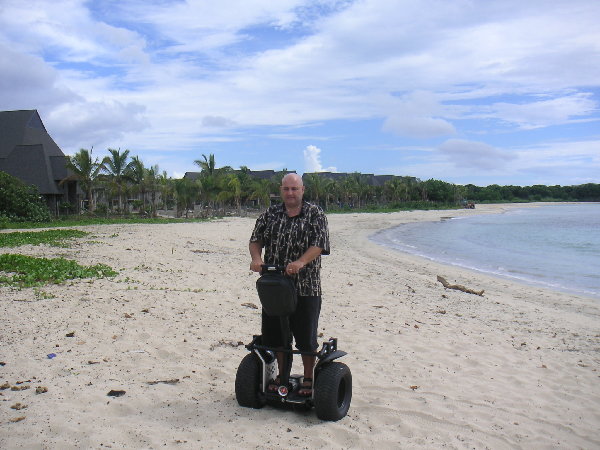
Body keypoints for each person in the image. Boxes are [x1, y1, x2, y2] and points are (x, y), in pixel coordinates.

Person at [249, 173, 330, 396]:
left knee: (306, 337)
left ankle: (308, 378)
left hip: (306, 286)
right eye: (286, 189)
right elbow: (256, 239)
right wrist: (257, 259)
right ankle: (282, 376)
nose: (290, 193)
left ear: (302, 190)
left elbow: (320, 244)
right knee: (276, 337)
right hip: (275, 287)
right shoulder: (270, 214)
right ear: (281, 190)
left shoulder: (315, 214)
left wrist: (301, 262)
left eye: (294, 189)